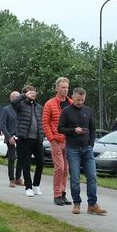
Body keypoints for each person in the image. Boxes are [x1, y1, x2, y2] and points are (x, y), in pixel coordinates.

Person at [58, 87, 106, 215]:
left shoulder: (88, 111)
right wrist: (74, 130)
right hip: (72, 148)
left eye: (82, 100)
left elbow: (93, 129)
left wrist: (91, 143)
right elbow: (60, 129)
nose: (80, 102)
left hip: (87, 149)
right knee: (75, 178)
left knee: (92, 176)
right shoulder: (66, 111)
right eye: (78, 99)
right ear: (72, 97)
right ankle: (77, 203)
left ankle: (92, 204)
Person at [43, 77, 73, 206]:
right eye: (62, 87)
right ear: (57, 88)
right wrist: (52, 138)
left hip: (69, 140)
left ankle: (63, 193)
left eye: (67, 87)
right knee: (59, 167)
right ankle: (56, 194)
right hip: (56, 140)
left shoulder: (71, 103)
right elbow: (45, 123)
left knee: (66, 168)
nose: (65, 90)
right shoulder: (50, 104)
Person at [11, 85, 45, 197]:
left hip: (37, 139)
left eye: (33, 92)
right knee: (26, 163)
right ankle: (28, 187)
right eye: (30, 93)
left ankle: (36, 185)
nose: (32, 94)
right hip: (25, 139)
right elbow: (13, 103)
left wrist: (43, 134)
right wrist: (24, 95)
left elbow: (42, 122)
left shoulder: (39, 107)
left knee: (41, 162)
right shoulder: (20, 105)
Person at [0, 91, 20, 189]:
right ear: (12, 98)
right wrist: (9, 137)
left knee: (22, 158)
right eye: (16, 97)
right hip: (10, 137)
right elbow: (2, 125)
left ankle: (18, 178)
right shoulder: (6, 110)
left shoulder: (22, 109)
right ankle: (11, 179)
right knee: (12, 158)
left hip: (21, 137)